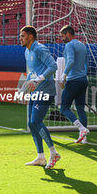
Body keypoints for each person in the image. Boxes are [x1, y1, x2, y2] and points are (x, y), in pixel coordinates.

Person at [20, 25, 60, 169]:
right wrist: (24, 88)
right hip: (35, 92)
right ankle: (41, 157)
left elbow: (53, 66)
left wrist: (39, 79)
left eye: (23, 36)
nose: (21, 38)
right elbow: (32, 72)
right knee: (31, 124)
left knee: (36, 121)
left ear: (31, 36)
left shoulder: (39, 49)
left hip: (45, 91)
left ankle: (53, 152)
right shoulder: (27, 52)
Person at [59, 25, 90, 144]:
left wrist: (63, 75)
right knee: (80, 108)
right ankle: (84, 138)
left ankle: (82, 128)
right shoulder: (82, 45)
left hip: (73, 80)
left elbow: (71, 60)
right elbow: (85, 64)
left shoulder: (69, 45)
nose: (62, 39)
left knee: (64, 108)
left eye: (63, 36)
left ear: (68, 34)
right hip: (83, 80)